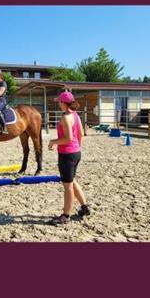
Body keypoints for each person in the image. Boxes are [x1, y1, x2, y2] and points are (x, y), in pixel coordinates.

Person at [47, 91, 91, 225]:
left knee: (67, 186)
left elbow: (68, 138)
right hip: (76, 153)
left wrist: (53, 141)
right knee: (72, 181)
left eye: (59, 102)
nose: (58, 104)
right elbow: (80, 135)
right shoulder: (75, 115)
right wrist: (77, 148)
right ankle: (84, 207)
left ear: (63, 103)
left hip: (67, 155)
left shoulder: (66, 117)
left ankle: (66, 215)